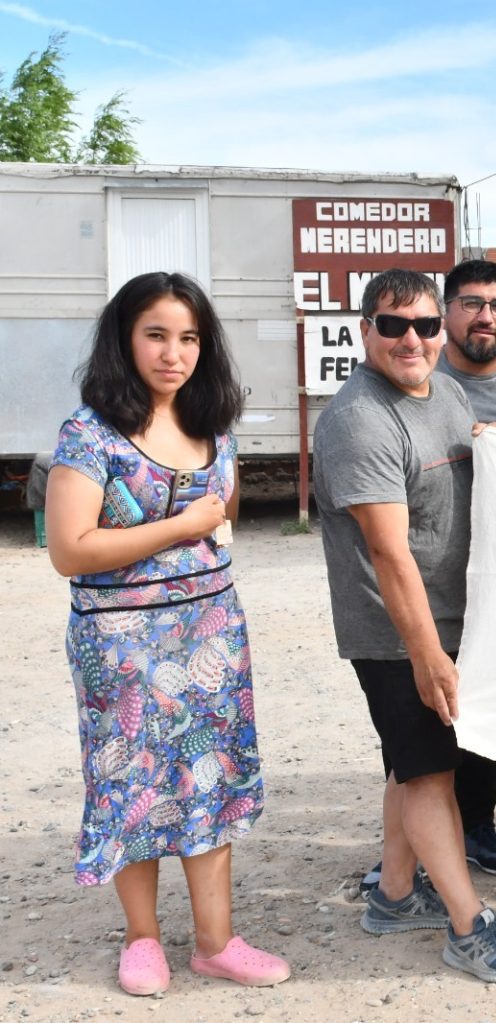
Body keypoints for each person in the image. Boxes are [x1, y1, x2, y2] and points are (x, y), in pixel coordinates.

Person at [45, 272, 289, 995]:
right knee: (133, 778)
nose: (172, 352)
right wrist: (180, 527)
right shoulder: (89, 432)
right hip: (119, 642)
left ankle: (217, 940)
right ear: (125, 338)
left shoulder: (213, 425)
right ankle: (142, 937)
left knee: (205, 775)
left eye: (188, 337)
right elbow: (70, 549)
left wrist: (201, 535)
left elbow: (227, 524)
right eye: (156, 334)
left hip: (208, 630)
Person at [313, 269, 496, 983]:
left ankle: (392, 893)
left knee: (410, 759)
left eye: (422, 324)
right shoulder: (359, 419)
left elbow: (473, 441)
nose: (411, 338)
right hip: (395, 631)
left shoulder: (442, 388)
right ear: (366, 331)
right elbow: (387, 552)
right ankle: (467, 923)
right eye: (393, 325)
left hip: (450, 619)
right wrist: (426, 656)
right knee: (429, 773)